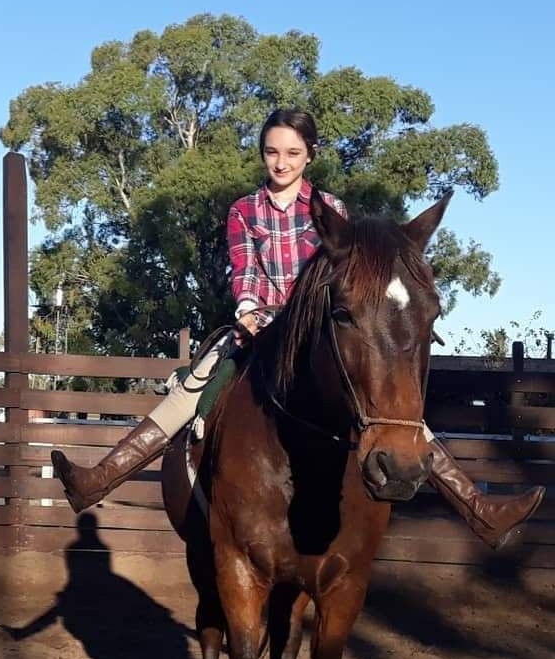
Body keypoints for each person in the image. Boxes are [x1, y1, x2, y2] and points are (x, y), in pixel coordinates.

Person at [51, 109, 544, 549]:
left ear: (310, 155)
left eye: (291, 152)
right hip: (260, 323)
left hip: (315, 331)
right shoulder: (245, 210)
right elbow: (242, 268)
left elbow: (350, 278)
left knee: (390, 403)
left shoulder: (332, 211)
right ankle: (99, 478)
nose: (280, 162)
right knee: (197, 383)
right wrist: (246, 307)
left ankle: (478, 509)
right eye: (272, 152)